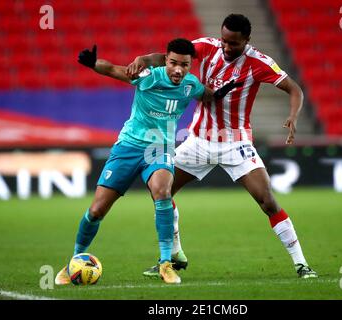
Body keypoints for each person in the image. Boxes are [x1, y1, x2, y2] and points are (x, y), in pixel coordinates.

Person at [126, 14, 317, 278]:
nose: (227, 47)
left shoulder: (258, 63)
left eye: (234, 44)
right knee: (161, 191)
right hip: (198, 141)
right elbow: (172, 57)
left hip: (235, 144)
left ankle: (301, 264)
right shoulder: (207, 47)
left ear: (247, 41)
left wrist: (293, 116)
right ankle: (174, 257)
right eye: (224, 41)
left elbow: (295, 89)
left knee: (267, 201)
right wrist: (144, 60)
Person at [54, 38, 242, 285]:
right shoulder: (148, 76)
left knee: (162, 192)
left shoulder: (190, 84)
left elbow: (205, 95)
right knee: (96, 210)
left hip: (159, 147)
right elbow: (113, 70)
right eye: (173, 63)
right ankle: (73, 262)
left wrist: (218, 94)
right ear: (166, 60)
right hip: (129, 146)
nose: (178, 70)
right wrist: (93, 64)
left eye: (184, 65)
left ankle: (165, 263)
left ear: (190, 65)